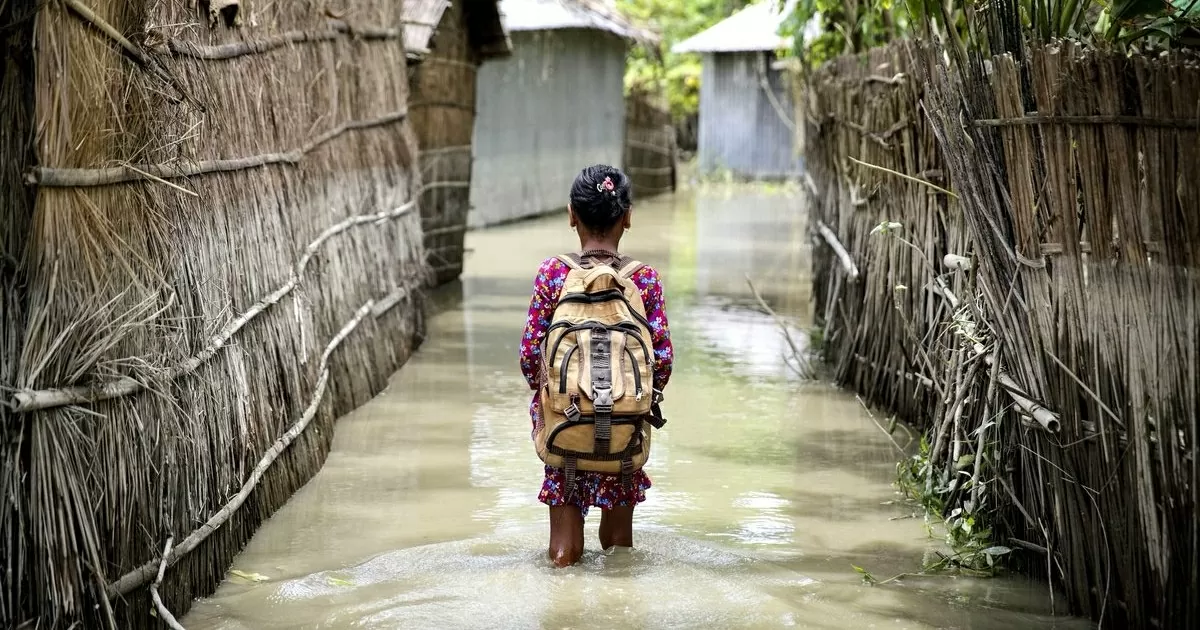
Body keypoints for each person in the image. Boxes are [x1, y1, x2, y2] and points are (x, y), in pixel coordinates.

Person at [518, 164, 674, 567]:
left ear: (572, 214)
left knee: (564, 552)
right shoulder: (645, 281)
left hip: (564, 423)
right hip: (624, 427)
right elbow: (663, 363)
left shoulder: (553, 275)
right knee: (619, 550)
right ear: (628, 216)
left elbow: (530, 357)